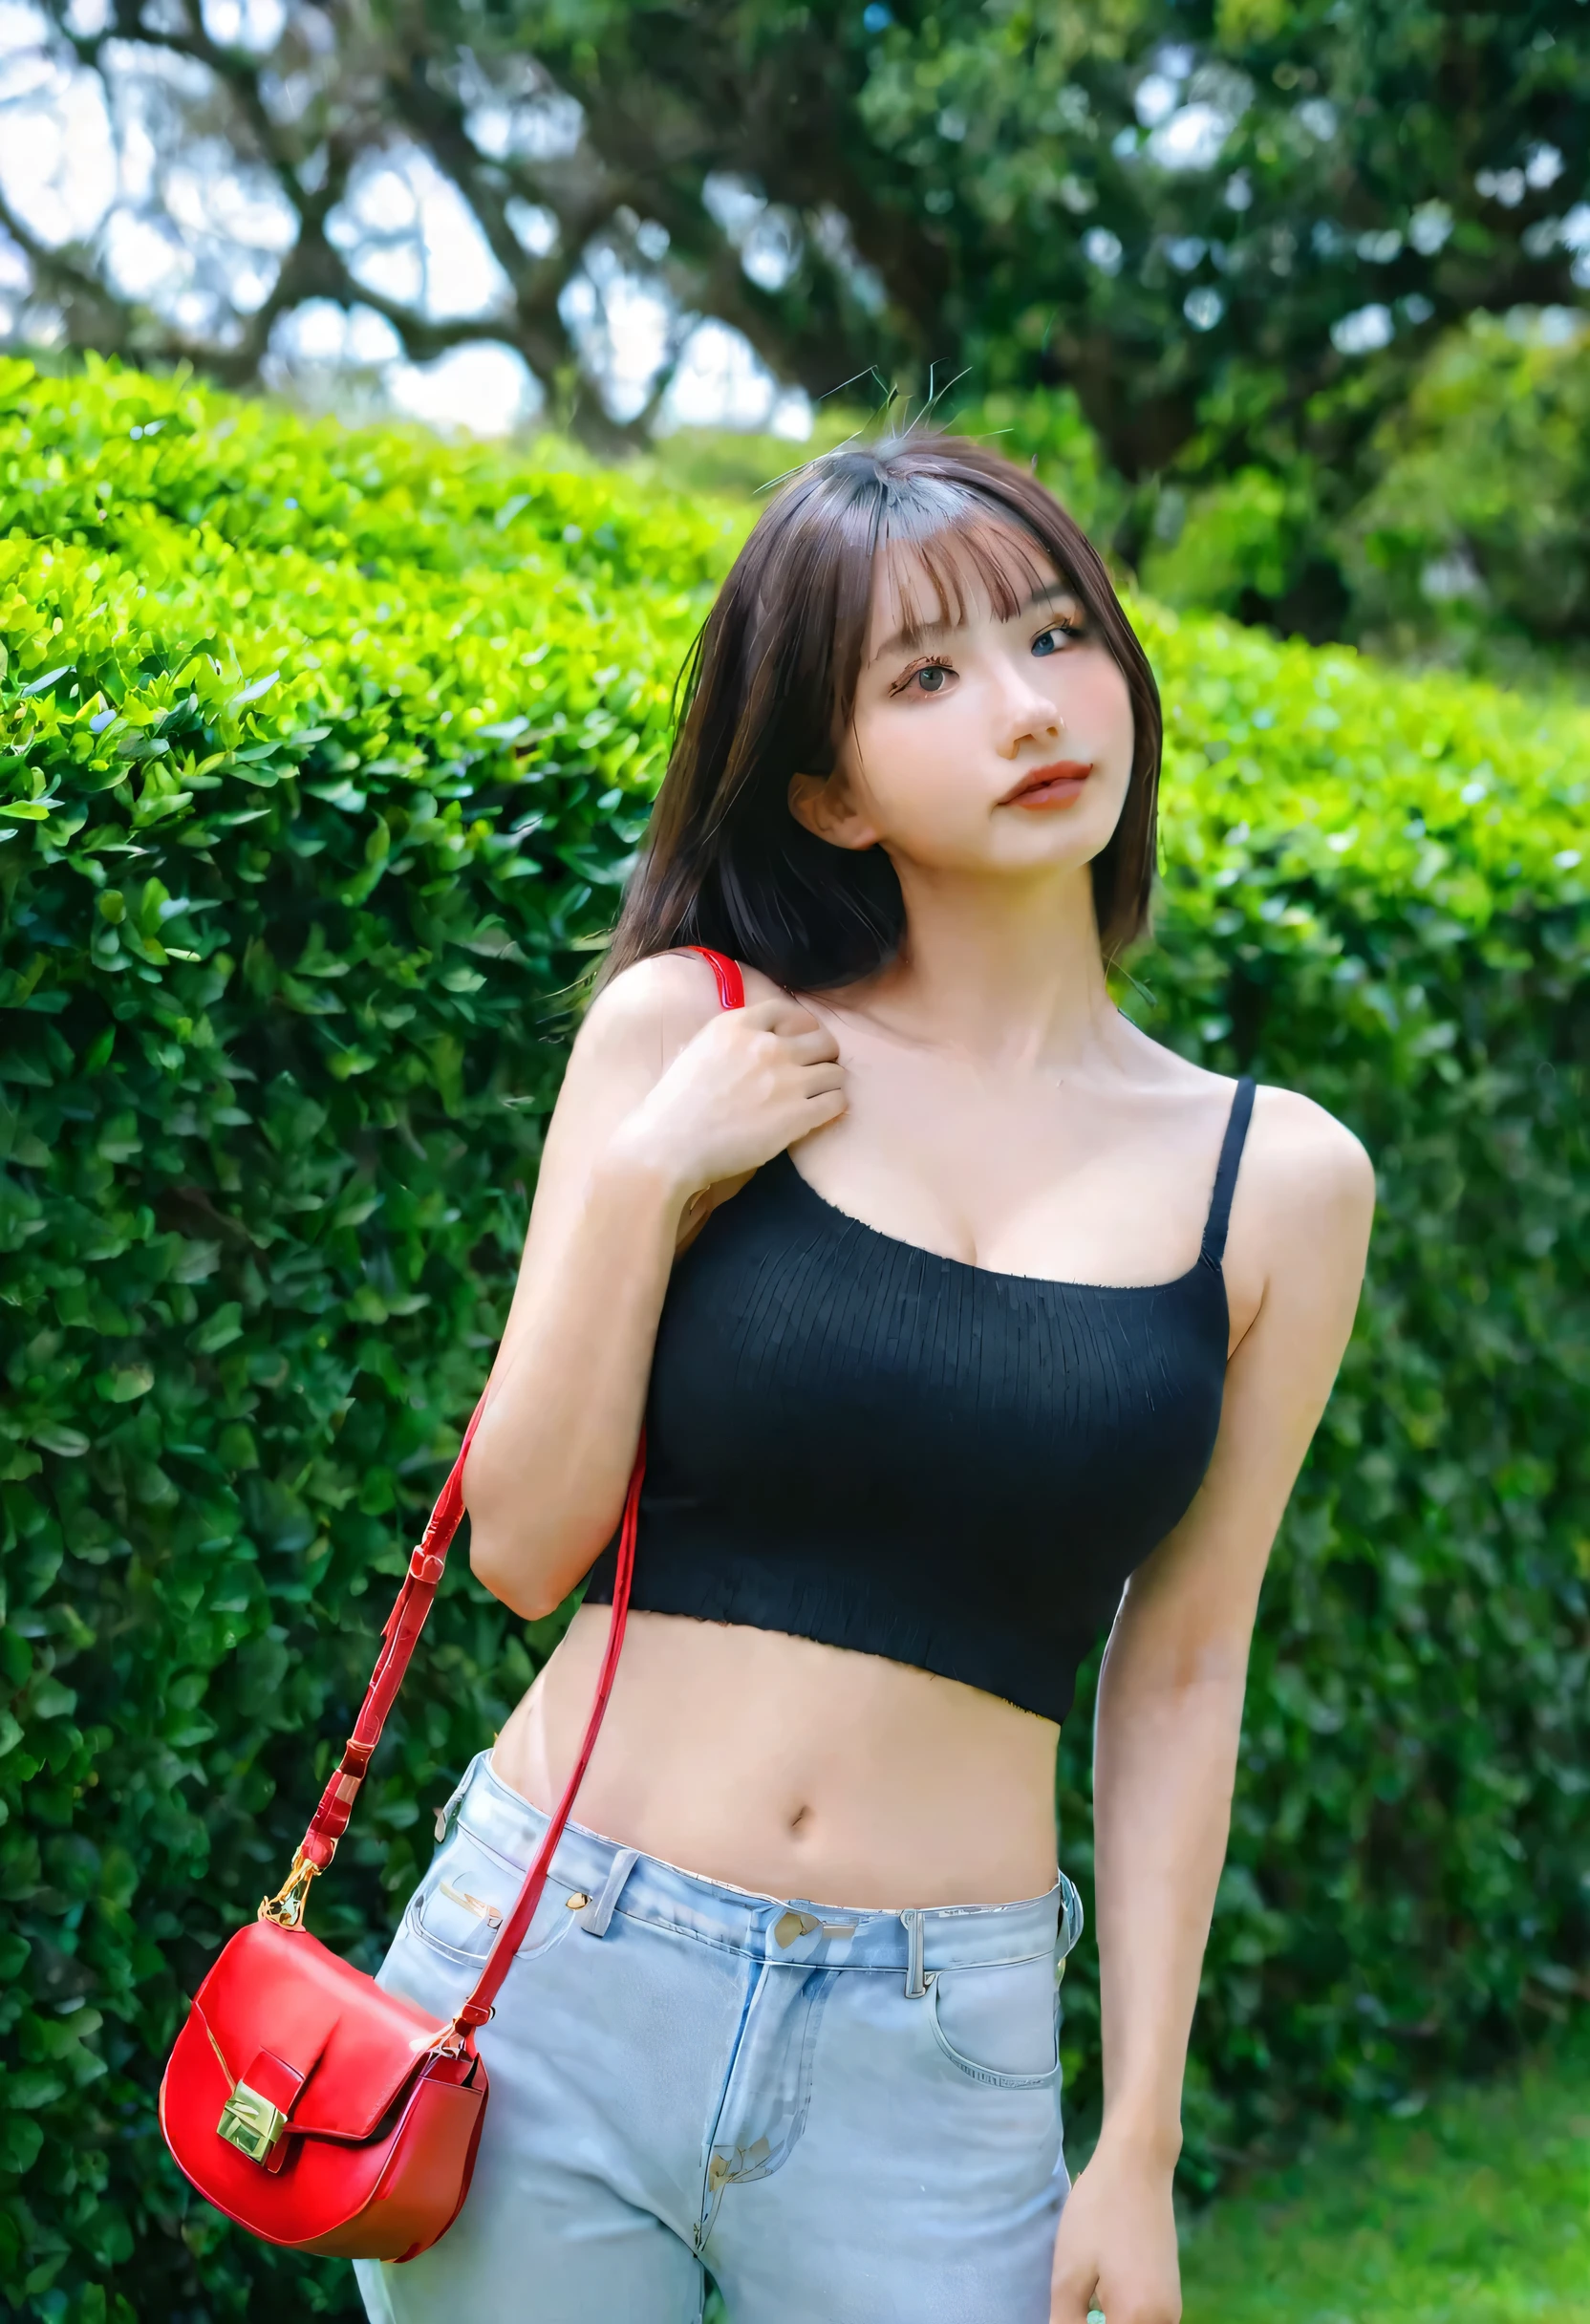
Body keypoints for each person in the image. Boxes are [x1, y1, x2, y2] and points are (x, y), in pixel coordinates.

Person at [354, 431, 1373, 2324]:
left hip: (943, 2045)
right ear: (824, 789)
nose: (1025, 706)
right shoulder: (690, 1033)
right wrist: (653, 1176)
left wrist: (1134, 2138)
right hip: (560, 1959)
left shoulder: (1280, 1184)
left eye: (1055, 635)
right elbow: (521, 1541)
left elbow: (1182, 1662)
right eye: (927, 674)